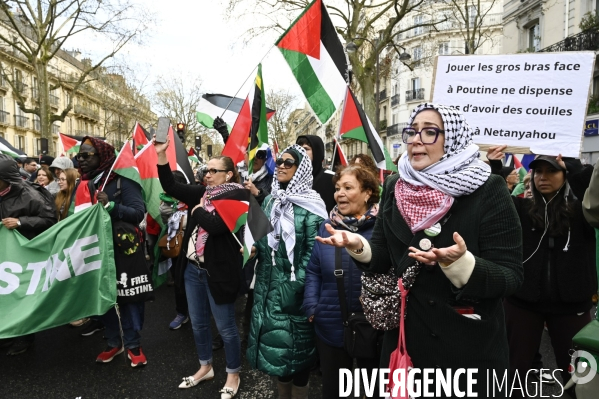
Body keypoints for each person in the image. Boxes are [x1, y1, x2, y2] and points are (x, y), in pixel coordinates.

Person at [317, 103, 523, 397]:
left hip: (464, 350)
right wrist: (357, 246)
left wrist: (461, 264)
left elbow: (511, 275)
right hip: (406, 343)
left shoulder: (488, 189)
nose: (415, 140)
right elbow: (384, 256)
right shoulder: (394, 186)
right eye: (412, 131)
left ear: (451, 139)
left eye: (429, 132)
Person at [486, 147, 596, 394]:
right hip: (522, 303)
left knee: (578, 375)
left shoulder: (583, 213)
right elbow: (492, 199)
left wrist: (573, 167)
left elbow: (594, 195)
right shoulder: (521, 210)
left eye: (552, 171)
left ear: (564, 175)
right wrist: (494, 166)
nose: (543, 177)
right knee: (514, 371)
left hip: (572, 305)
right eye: (538, 172)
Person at [154, 136, 242, 398]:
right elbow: (170, 184)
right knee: (199, 325)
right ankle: (205, 367)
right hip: (193, 269)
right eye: (206, 170)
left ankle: (233, 373)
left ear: (228, 174)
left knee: (226, 328)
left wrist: (196, 212)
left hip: (219, 272)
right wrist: (161, 154)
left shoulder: (238, 196)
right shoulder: (201, 193)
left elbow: (217, 227)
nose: (207, 174)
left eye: (214, 171)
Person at [247, 145, 327, 399]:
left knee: (299, 357)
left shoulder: (312, 205)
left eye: (288, 162)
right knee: (278, 359)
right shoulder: (271, 200)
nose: (280, 165)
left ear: (301, 169)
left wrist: (290, 291)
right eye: (279, 161)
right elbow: (264, 241)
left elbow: (313, 257)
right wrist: (253, 248)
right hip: (268, 291)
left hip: (295, 296)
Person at [303, 164, 381, 398]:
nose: (340, 193)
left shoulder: (383, 228)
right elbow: (313, 271)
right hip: (330, 322)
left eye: (348, 187)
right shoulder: (326, 227)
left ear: (368, 192)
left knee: (372, 388)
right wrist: (312, 306)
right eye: (337, 188)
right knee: (334, 390)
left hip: (372, 325)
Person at [74, 137, 147, 367]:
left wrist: (112, 206)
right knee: (101, 296)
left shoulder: (122, 181)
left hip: (122, 249)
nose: (81, 160)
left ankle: (134, 345)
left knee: (127, 298)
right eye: (79, 156)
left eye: (87, 155)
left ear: (103, 156)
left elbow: (138, 213)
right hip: (94, 248)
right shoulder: (83, 183)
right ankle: (114, 342)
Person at [0, 154, 57, 355]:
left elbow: (50, 220)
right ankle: (6, 334)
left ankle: (24, 337)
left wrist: (21, 222)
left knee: (21, 295)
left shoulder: (31, 195)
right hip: (3, 257)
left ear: (5, 179)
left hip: (24, 256)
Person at [158, 170, 190, 330]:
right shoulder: (165, 203)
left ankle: (198, 311)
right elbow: (165, 216)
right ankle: (182, 313)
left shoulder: (193, 197)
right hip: (176, 246)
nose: (165, 189)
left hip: (193, 247)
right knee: (179, 280)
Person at [296, 135, 336, 213]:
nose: (300, 152)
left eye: (306, 149)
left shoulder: (332, 178)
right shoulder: (294, 180)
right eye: (298, 149)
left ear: (317, 152)